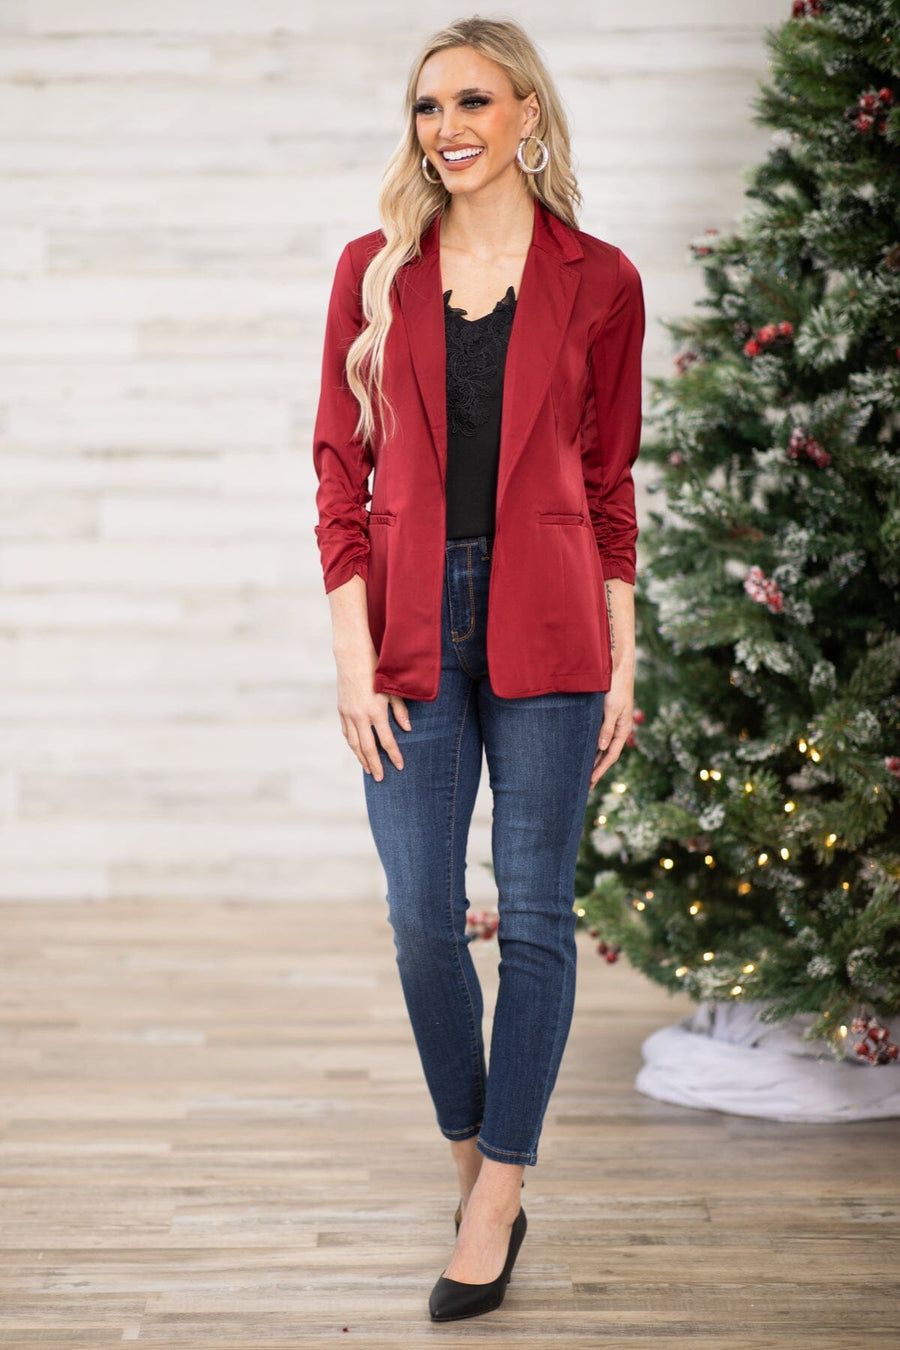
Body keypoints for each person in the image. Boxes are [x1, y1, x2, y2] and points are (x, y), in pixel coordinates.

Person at [312, 15, 644, 1323]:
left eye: (472, 102)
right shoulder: (374, 269)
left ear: (526, 117)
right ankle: (475, 1164)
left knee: (539, 916)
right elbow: (339, 472)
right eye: (427, 107)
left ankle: (498, 1197)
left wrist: (625, 654)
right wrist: (353, 653)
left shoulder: (600, 278)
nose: (446, 128)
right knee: (420, 914)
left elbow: (610, 484)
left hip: (553, 621)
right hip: (406, 623)